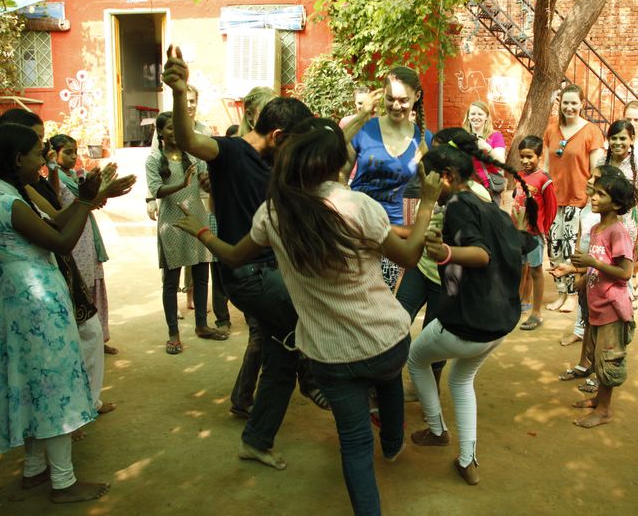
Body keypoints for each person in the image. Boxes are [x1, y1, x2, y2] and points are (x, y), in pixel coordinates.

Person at [175, 117, 442, 515]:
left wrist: (201, 232)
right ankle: (392, 446)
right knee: (386, 379)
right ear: (340, 166)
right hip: (385, 339)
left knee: (353, 442)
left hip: (329, 356)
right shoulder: (358, 206)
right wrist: (427, 205)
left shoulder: (273, 212)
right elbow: (408, 256)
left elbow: (232, 255)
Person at [162, 44, 325, 470]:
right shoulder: (231, 153)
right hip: (249, 275)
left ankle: (256, 439)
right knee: (311, 321)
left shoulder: (274, 166)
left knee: (279, 359)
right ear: (277, 137)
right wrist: (180, 93)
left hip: (270, 270)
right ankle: (320, 383)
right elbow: (187, 139)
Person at [0, 123, 113, 503]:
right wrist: (86, 203)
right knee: (55, 388)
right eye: (38, 154)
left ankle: (35, 470)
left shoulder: (3, 197)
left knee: (34, 386)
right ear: (18, 158)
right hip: (39, 310)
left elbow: (55, 222)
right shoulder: (10, 204)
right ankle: (64, 482)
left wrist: (86, 199)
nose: (43, 161)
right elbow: (60, 241)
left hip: (25, 307)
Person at [406, 143, 537, 486]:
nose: (423, 185)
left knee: (415, 358)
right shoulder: (487, 206)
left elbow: (480, 254)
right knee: (461, 380)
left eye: (427, 179)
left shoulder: (458, 207)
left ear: (445, 178)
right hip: (500, 324)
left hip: (469, 324)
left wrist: (447, 251)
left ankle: (437, 430)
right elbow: (525, 243)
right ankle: (468, 460)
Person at [394, 129, 492, 396]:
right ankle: (389, 380)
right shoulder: (433, 189)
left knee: (432, 337)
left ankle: (428, 391)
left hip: (447, 277)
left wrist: (388, 231)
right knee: (397, 320)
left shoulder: (478, 197)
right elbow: (419, 228)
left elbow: (480, 247)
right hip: (421, 269)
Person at [551, 173, 636, 428]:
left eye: (601, 194)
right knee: (598, 356)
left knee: (608, 358)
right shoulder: (595, 229)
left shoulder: (617, 233)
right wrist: (574, 270)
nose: (593, 197)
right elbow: (596, 267)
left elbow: (625, 272)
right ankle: (600, 399)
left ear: (617, 204)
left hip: (611, 308)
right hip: (596, 306)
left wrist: (593, 263)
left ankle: (605, 410)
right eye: (594, 192)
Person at [342, 66, 432, 291]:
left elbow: (430, 187)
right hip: (355, 224)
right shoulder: (365, 129)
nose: (395, 106)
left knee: (381, 297)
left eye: (403, 100)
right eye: (390, 99)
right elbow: (339, 175)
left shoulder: (423, 139)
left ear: (417, 97)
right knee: (350, 295)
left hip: (391, 229)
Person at [146, 111, 223, 354]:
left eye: (177, 127)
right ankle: (173, 335)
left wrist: (207, 182)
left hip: (197, 217)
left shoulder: (193, 156)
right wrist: (181, 184)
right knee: (171, 282)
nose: (174, 132)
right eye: (169, 128)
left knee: (202, 275)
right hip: (171, 223)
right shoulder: (153, 160)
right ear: (160, 132)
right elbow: (157, 191)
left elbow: (203, 182)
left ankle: (202, 325)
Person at [51, 134, 116, 415]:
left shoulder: (76, 175)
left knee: (90, 290)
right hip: (71, 241)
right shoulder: (52, 179)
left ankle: (90, 398)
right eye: (66, 152)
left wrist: (102, 189)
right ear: (51, 154)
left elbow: (91, 203)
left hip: (85, 235)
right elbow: (58, 211)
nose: (72, 156)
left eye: (74, 151)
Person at [542, 84, 605, 315]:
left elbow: (596, 170)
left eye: (573, 103)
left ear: (582, 104)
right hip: (553, 200)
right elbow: (546, 166)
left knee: (570, 248)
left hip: (577, 199)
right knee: (554, 247)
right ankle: (560, 292)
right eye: (565, 103)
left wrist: (591, 200)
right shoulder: (551, 130)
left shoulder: (591, 132)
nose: (569, 107)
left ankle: (571, 295)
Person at [605, 119, 638, 304]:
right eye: (613, 138)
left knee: (622, 273)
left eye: (622, 138)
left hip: (627, 228)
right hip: (604, 227)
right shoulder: (602, 162)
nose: (617, 143)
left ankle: (624, 314)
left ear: (631, 139)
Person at [514, 136, 558, 331]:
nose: (525, 161)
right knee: (518, 268)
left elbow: (552, 208)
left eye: (529, 157)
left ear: (539, 156)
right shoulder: (519, 175)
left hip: (534, 234)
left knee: (535, 270)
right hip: (518, 233)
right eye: (522, 157)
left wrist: (543, 229)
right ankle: (516, 305)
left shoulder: (544, 180)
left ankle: (536, 313)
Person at [461, 100, 506, 204]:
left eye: (480, 114)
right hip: (468, 188)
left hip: (489, 188)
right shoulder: (462, 137)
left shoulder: (495, 136)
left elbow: (501, 164)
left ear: (486, 117)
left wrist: (487, 148)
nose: (476, 117)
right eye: (472, 114)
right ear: (468, 117)